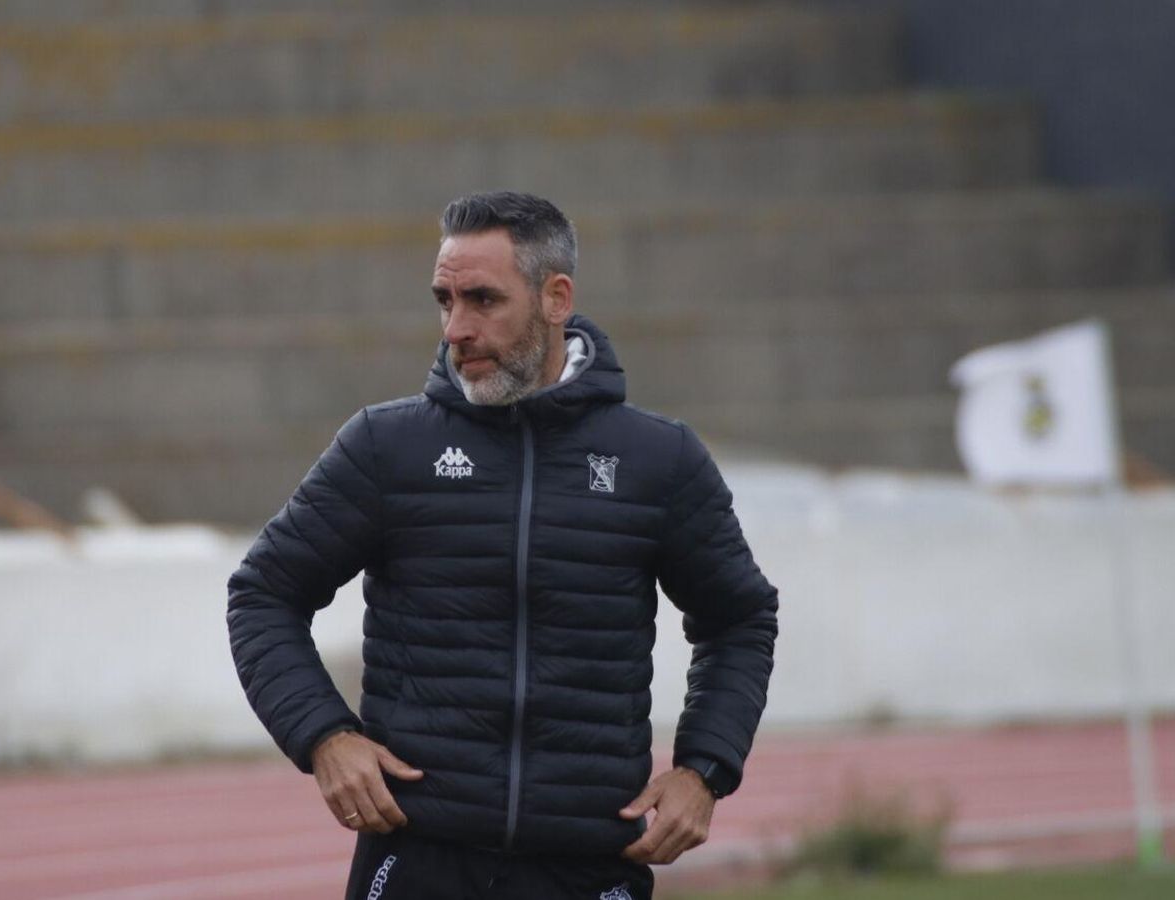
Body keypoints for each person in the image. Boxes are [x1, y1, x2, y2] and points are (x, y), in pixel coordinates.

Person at [227, 191, 779, 900]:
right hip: (420, 860)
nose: (456, 328)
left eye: (483, 300)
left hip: (586, 862)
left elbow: (740, 620)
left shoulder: (658, 459)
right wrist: (324, 737)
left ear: (556, 299)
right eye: (444, 300)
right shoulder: (385, 447)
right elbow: (262, 594)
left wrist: (704, 771)